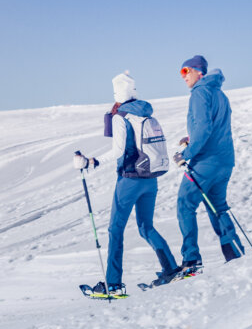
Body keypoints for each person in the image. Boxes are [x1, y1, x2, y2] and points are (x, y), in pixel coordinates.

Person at [74, 72, 179, 295]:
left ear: (117, 94)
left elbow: (119, 151)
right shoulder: (143, 114)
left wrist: (92, 161)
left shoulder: (120, 117)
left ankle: (113, 283)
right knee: (146, 227)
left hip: (129, 180)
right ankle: (170, 268)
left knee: (115, 229)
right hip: (150, 179)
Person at [174, 55, 244, 272]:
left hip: (206, 161)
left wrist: (187, 153)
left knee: (185, 204)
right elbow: (213, 127)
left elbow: (204, 128)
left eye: (186, 71)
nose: (183, 76)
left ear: (198, 72)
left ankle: (191, 260)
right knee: (218, 207)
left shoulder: (200, 92)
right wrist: (191, 138)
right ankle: (235, 253)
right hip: (224, 160)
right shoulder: (220, 94)